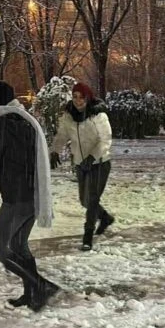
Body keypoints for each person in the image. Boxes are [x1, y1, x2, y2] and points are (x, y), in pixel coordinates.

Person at [0, 80, 60, 311]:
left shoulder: (2, 124)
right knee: (18, 245)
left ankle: (40, 285)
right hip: (33, 194)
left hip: (16, 197)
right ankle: (32, 293)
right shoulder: (24, 120)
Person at [50, 82, 114, 251]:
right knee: (84, 200)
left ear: (88, 97)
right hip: (80, 162)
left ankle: (87, 236)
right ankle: (105, 218)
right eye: (75, 96)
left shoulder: (98, 115)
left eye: (82, 97)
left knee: (92, 199)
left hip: (99, 162)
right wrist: (55, 150)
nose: (78, 101)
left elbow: (105, 140)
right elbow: (62, 135)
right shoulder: (68, 115)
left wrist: (93, 156)